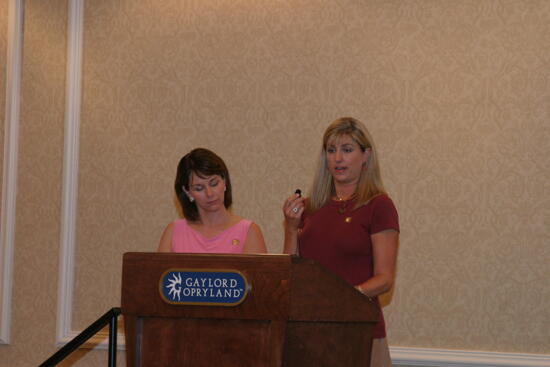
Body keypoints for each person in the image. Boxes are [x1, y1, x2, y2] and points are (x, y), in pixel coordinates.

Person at [282, 117, 399, 367]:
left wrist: (342, 299)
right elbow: (291, 274)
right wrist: (291, 228)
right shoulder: (311, 207)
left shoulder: (379, 205)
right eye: (331, 150)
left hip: (359, 331)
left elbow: (385, 278)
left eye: (347, 150)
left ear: (365, 155)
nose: (338, 159)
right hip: (310, 333)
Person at [158, 148, 267, 254]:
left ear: (224, 181)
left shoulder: (249, 231)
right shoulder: (173, 232)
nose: (209, 193)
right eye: (199, 188)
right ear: (187, 192)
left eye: (214, 183)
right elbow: (161, 272)